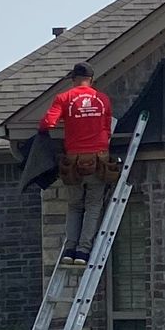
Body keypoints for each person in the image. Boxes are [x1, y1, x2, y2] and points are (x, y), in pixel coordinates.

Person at [40, 61, 116, 262]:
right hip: (98, 160)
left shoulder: (64, 98)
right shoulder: (103, 99)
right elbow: (107, 128)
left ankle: (69, 250)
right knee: (93, 206)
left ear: (74, 79)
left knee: (75, 205)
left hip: (73, 162)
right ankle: (83, 251)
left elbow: (48, 123)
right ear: (91, 80)